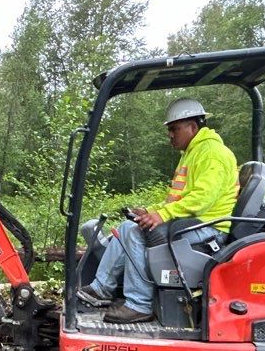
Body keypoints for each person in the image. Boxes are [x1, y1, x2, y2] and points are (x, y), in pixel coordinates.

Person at [77, 98, 239, 324]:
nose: (170, 135)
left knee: (135, 232)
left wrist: (162, 215)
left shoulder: (212, 153)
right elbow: (178, 199)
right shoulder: (193, 152)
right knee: (127, 227)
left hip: (209, 228)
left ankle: (139, 305)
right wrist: (149, 211)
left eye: (174, 129)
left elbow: (202, 199)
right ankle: (101, 288)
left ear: (192, 126)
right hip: (193, 222)